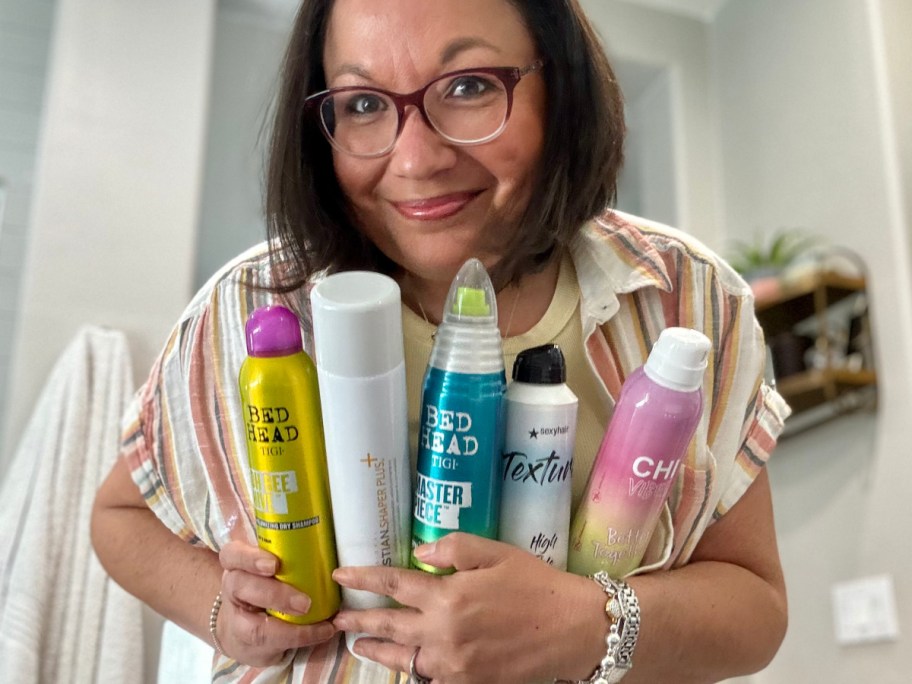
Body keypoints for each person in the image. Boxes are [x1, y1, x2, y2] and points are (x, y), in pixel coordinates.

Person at [91, 0, 791, 682]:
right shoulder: (250, 311)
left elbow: (755, 609)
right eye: (362, 103)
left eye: (468, 86)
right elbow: (119, 516)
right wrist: (223, 613)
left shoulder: (688, 300)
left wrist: (590, 624)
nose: (416, 158)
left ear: (561, 87)